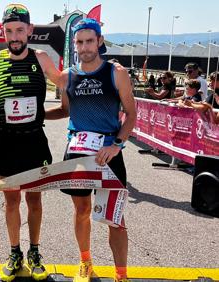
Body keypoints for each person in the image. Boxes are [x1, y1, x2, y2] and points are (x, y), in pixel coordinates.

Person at [46, 18, 136, 282]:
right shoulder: (68, 76)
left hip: (108, 151)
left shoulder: (115, 72)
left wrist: (117, 145)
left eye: (89, 41)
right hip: (78, 151)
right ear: (75, 45)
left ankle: (122, 275)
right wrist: (35, 115)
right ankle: (85, 263)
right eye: (79, 42)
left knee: (115, 218)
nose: (84, 47)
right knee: (82, 210)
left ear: (99, 41)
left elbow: (131, 115)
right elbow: (64, 111)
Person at [0, 4, 62, 281]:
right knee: (11, 202)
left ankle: (34, 252)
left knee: (34, 201)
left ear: (30, 31)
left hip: (35, 142)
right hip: (7, 142)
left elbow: (65, 82)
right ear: (3, 32)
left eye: (20, 30)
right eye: (9, 30)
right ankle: (15, 253)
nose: (14, 36)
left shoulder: (42, 58)